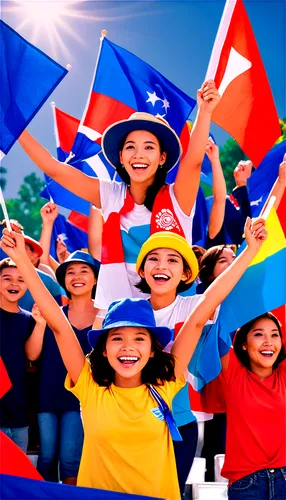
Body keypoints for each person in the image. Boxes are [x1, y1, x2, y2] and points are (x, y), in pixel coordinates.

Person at [0, 213, 267, 499]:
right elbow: (58, 324)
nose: (128, 346)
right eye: (117, 338)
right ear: (103, 349)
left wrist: (250, 249)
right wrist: (22, 260)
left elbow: (204, 310)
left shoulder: (167, 382)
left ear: (154, 350)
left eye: (139, 338)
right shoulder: (90, 386)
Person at [18, 81, 220, 309]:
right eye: (130, 147)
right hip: (118, 313)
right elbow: (54, 168)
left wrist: (205, 112)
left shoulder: (177, 197)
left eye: (149, 147)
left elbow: (193, 163)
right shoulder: (110, 194)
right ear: (121, 157)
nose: (139, 155)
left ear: (162, 158)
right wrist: (13, 125)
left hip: (170, 313)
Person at [135, 231, 219, 495]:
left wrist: (251, 250)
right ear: (141, 269)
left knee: (171, 493)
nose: (161, 265)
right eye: (153, 259)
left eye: (173, 260)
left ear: (186, 274)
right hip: (132, 421)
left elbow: (229, 284)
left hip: (179, 423)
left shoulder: (196, 306)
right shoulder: (127, 310)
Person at [33, 251, 101, 484]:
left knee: (71, 460)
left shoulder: (105, 316)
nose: (76, 276)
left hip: (82, 399)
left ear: (95, 279)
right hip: (48, 397)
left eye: (84, 271)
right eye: (70, 272)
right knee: (46, 459)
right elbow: (33, 354)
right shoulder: (54, 316)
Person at [221, 312, 285, 499]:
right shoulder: (233, 375)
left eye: (274, 335)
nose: (268, 341)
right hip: (247, 484)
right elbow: (217, 329)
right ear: (243, 343)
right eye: (259, 334)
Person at [0, 259, 46, 452]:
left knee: (18, 476)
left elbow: (32, 356)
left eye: (21, 279)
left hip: (19, 410)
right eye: (7, 278)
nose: (14, 284)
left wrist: (40, 324)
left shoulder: (29, 319)